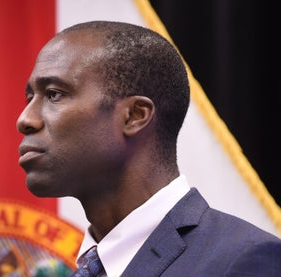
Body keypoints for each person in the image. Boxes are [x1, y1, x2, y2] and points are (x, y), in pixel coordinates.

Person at [16, 20, 281, 277]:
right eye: (30, 98)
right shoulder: (85, 269)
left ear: (134, 116)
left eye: (53, 94)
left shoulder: (243, 262)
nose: (25, 119)